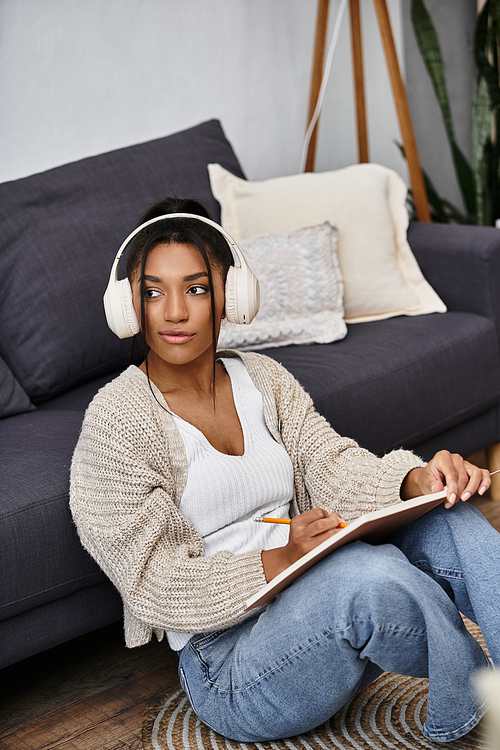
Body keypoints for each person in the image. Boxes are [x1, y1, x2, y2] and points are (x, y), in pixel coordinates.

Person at [70, 196, 500, 744]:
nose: (174, 312)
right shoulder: (116, 421)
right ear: (129, 305)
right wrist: (280, 558)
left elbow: (328, 463)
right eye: (153, 292)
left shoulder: (264, 380)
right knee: (365, 576)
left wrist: (414, 483)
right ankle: (471, 703)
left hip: (313, 598)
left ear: (231, 295)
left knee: (452, 521)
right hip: (229, 666)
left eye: (196, 289)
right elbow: (152, 581)